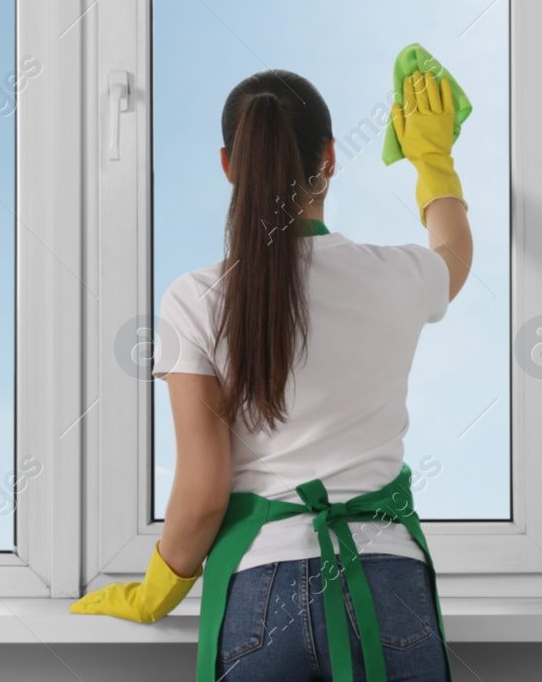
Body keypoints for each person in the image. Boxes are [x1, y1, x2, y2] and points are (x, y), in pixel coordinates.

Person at [71, 65, 472, 682]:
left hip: (263, 593)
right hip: (387, 585)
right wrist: (432, 159)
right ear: (331, 158)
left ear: (231, 165)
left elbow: (205, 492)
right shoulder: (397, 276)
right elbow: (453, 252)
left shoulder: (197, 297)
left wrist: (156, 589)